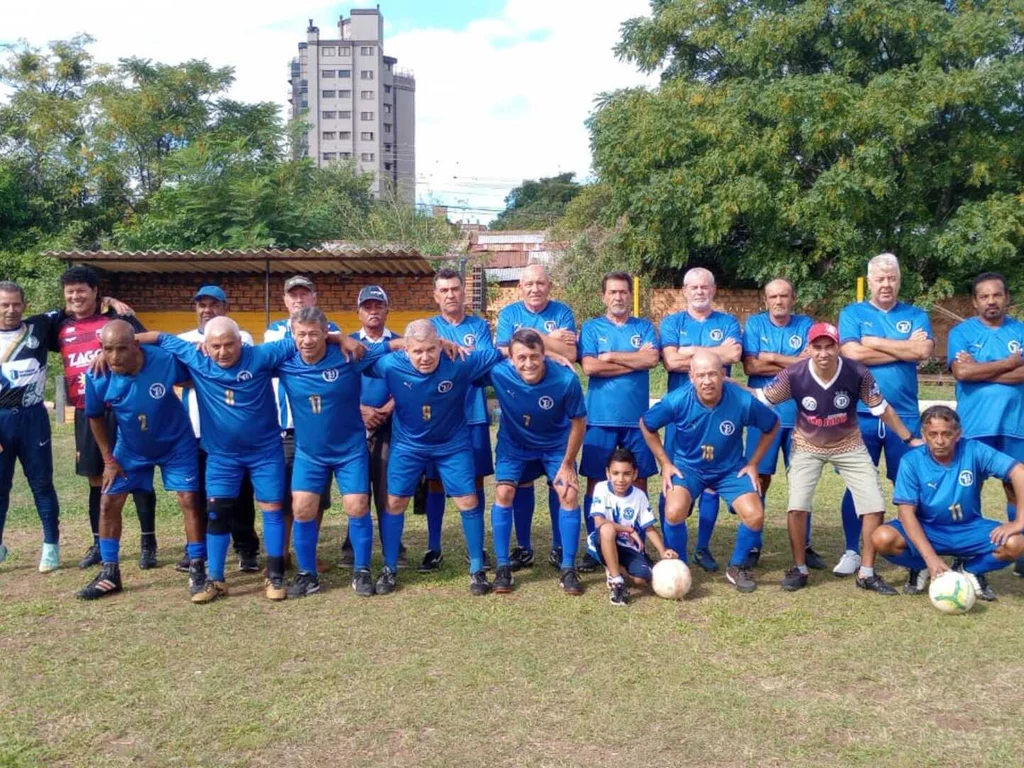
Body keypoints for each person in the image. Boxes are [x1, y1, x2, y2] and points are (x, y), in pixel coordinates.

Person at [142, 318, 361, 603]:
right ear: (205, 346)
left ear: (241, 342)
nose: (223, 352)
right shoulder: (195, 356)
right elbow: (159, 337)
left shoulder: (261, 355)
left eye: (229, 344)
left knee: (272, 508)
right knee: (217, 512)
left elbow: (306, 339)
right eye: (216, 346)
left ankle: (275, 575)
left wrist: (340, 338)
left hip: (265, 453)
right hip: (222, 456)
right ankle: (216, 579)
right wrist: (115, 343)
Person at [754, 322, 922, 594]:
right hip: (807, 444)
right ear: (808, 349)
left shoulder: (857, 371)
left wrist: (908, 438)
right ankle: (799, 568)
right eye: (817, 347)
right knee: (797, 507)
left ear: (838, 347)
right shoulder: (794, 373)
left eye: (829, 346)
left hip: (848, 444)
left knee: (874, 506)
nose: (823, 353)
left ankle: (866, 572)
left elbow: (882, 408)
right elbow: (762, 398)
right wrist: (727, 386)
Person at [362, 319, 504, 595]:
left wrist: (554, 350)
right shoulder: (391, 364)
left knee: (468, 500)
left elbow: (504, 350)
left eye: (431, 349)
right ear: (406, 351)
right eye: (417, 351)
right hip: (408, 446)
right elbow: (361, 356)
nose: (425, 357)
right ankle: (390, 567)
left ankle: (476, 568)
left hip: (452, 445)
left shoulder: (460, 361)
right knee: (395, 501)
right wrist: (394, 343)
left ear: (440, 345)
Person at [77, 321, 205, 600]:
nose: (114, 357)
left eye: (121, 349)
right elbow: (95, 417)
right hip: (132, 449)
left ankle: (197, 566)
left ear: (136, 345)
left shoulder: (163, 360)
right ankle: (110, 572)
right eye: (107, 350)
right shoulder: (98, 375)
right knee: (108, 500)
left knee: (189, 500)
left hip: (176, 444)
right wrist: (109, 459)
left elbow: (197, 376)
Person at [275, 307, 391, 598]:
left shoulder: (347, 356)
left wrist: (433, 343)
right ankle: (307, 574)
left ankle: (361, 570)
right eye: (301, 334)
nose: (307, 340)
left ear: (325, 334)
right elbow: (243, 357)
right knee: (302, 507)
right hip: (309, 453)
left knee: (357, 506)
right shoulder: (284, 361)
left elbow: (388, 346)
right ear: (292, 335)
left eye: (314, 333)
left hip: (349, 450)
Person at [640, 349, 779, 592]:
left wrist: (753, 463)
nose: (707, 381)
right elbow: (646, 424)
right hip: (688, 468)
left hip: (729, 470)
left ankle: (736, 567)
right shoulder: (677, 400)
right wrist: (665, 463)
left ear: (723, 374)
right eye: (701, 375)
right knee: (673, 511)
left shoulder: (741, 400)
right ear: (691, 376)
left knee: (755, 515)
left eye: (713, 375)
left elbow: (772, 424)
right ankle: (678, 564)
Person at [54, 266, 157, 571]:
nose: (76, 296)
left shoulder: (118, 320)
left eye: (82, 290)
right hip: (87, 411)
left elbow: (145, 340)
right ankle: (99, 543)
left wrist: (106, 346)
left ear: (95, 292)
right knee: (96, 477)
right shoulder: (60, 325)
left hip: (124, 409)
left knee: (135, 473)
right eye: (70, 291)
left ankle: (147, 542)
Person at [837, 253, 933, 577]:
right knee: (857, 485)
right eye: (880, 278)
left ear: (899, 279)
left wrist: (874, 342)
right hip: (860, 414)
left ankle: (915, 549)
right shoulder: (853, 313)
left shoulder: (916, 314)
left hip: (903, 417)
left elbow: (922, 351)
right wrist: (901, 347)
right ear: (870, 280)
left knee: (907, 485)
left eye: (891, 278)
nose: (886, 284)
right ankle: (853, 549)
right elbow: (850, 354)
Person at [872, 405, 1024, 602]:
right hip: (928, 528)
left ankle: (969, 569)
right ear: (924, 435)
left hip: (969, 528)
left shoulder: (973, 450)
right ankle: (921, 566)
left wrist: (1019, 521)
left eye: (946, 434)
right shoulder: (911, 461)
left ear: (958, 434)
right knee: (881, 538)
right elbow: (906, 514)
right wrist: (931, 558)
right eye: (933, 434)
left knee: (1017, 543)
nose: (940, 441)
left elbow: (1019, 471)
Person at [480, 328, 586, 595]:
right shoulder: (499, 373)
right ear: (512, 359)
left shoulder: (564, 379)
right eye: (522, 357)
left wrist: (567, 464)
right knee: (503, 491)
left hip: (555, 446)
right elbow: (464, 367)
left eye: (534, 356)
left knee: (569, 493)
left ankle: (568, 567)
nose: (528, 363)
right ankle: (503, 567)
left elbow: (579, 422)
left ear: (544, 355)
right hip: (514, 445)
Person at [494, 264, 579, 570]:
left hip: (553, 423)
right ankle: (524, 546)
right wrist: (548, 343)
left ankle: (559, 547)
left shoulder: (564, 311)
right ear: (520, 286)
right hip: (519, 423)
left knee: (561, 486)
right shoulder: (508, 313)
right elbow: (504, 350)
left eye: (540, 283)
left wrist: (537, 340)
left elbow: (570, 354)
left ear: (549, 286)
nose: (535, 289)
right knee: (521, 484)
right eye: (529, 283)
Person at [659, 267, 742, 572]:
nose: (699, 291)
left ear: (714, 290)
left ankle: (703, 548)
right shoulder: (671, 322)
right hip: (680, 417)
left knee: (711, 482)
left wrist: (689, 351)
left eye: (704, 287)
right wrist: (712, 354)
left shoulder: (728, 321)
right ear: (684, 291)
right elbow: (670, 361)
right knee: (671, 478)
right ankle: (670, 550)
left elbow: (733, 355)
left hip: (718, 416)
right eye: (693, 287)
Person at [174, 285, 260, 573]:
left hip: (231, 433)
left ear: (225, 308)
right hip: (193, 430)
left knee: (240, 494)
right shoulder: (184, 339)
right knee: (196, 493)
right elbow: (177, 376)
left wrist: (202, 365)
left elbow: (230, 366)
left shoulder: (240, 335)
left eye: (213, 304)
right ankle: (196, 551)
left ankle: (246, 548)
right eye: (201, 305)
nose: (207, 310)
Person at [579, 271, 660, 573]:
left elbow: (651, 360)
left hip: (637, 422)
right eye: (612, 292)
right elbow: (589, 367)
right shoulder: (591, 328)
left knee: (638, 483)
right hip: (600, 419)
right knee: (595, 484)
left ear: (630, 296)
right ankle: (594, 544)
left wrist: (611, 356)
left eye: (623, 292)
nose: (618, 297)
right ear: (603, 296)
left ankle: (636, 545)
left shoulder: (645, 327)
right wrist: (632, 361)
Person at [948, 271, 1024, 579]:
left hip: (1015, 424)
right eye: (984, 296)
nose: (991, 301)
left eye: (996, 295)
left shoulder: (1020, 330)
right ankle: (968, 554)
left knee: (1015, 489)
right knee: (968, 489)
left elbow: (973, 371)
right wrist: (1010, 363)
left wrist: (979, 368)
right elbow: (962, 374)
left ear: (1006, 298)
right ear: (975, 302)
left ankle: (1020, 551)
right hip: (975, 425)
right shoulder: (961, 332)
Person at [422, 268, 496, 573]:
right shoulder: (427, 327)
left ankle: (475, 548)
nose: (450, 294)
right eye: (444, 290)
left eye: (455, 289)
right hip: (437, 419)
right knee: (436, 482)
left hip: (472, 415)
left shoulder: (479, 326)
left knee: (475, 480)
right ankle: (433, 547)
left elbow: (483, 363)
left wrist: (444, 357)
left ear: (464, 292)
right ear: (436, 295)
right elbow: (421, 365)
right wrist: (448, 352)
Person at [741, 278, 818, 568]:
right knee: (758, 479)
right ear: (765, 300)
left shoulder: (806, 324)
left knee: (802, 480)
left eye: (784, 295)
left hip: (802, 416)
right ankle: (751, 545)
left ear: (793, 298)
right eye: (773, 296)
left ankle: (805, 545)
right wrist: (793, 361)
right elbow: (750, 366)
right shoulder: (755, 325)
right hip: (763, 416)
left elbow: (811, 364)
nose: (779, 301)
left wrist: (771, 356)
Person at [264, 275, 338, 569]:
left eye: (304, 295)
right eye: (292, 295)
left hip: (321, 431)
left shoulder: (331, 328)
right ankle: (281, 554)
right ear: (284, 300)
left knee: (316, 497)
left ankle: (309, 551)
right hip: (286, 428)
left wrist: (334, 336)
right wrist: (324, 336)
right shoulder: (274, 331)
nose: (298, 300)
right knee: (284, 496)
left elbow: (331, 346)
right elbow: (289, 348)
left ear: (314, 298)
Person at [340, 285, 406, 568]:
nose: (373, 311)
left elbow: (409, 382)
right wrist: (360, 410)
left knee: (387, 488)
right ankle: (351, 547)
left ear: (387, 310)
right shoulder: (348, 344)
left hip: (390, 425)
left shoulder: (401, 343)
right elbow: (337, 385)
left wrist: (387, 409)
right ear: (358, 312)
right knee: (356, 489)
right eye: (367, 306)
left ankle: (394, 547)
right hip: (354, 425)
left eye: (378, 305)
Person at [0, 281, 61, 572]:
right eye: (4, 305)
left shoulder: (39, 326)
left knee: (42, 484)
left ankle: (51, 546)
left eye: (15, 304)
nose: (10, 310)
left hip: (32, 418)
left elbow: (74, 310)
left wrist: (109, 300)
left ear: (24, 305)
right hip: (0, 421)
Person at [585, 448, 678, 606]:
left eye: (626, 474)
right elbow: (599, 521)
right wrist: (629, 529)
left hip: (627, 547)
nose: (620, 479)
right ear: (608, 473)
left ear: (635, 474)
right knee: (607, 529)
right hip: (603, 541)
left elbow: (649, 528)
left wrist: (663, 551)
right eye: (615, 473)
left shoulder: (639, 496)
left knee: (642, 579)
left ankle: (616, 567)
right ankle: (617, 582)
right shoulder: (601, 488)